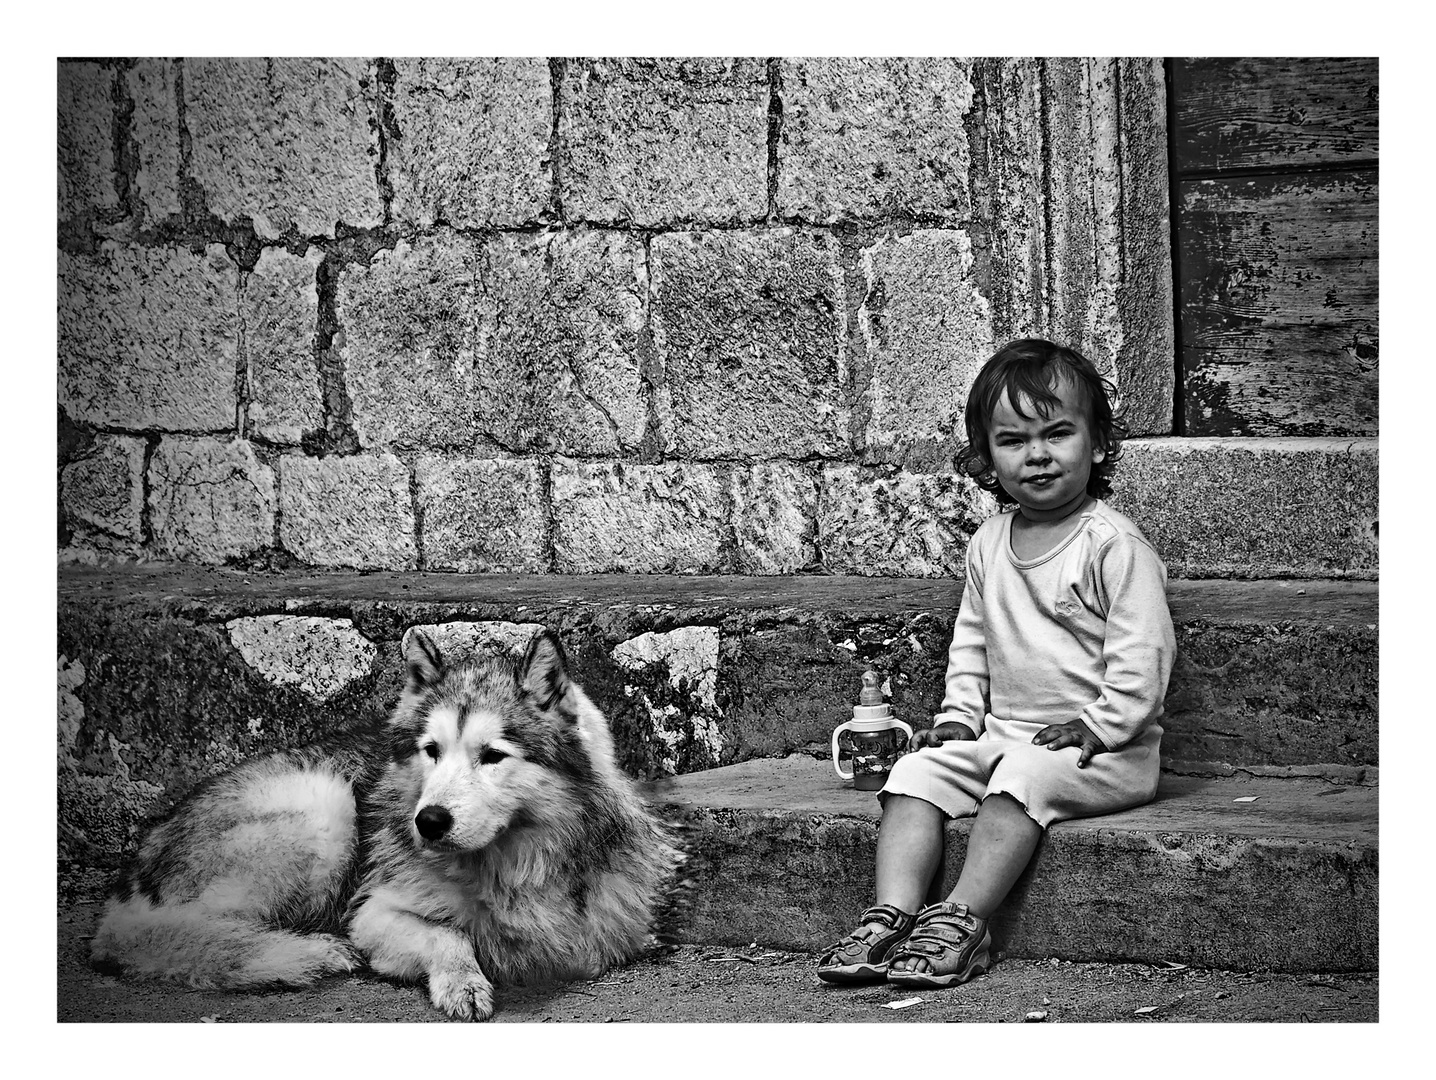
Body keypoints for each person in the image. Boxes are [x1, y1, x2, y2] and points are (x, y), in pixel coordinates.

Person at [817, 338, 1175, 988]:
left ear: (1096, 444)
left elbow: (1143, 656)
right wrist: (958, 719)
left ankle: (961, 919)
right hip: (1005, 739)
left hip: (1105, 753)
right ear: (987, 457)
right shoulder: (989, 542)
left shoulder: (1112, 546)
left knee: (1021, 779)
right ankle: (892, 914)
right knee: (914, 772)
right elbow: (972, 640)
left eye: (1058, 433)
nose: (1037, 454)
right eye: (1013, 441)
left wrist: (1101, 725)